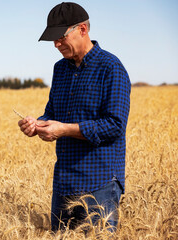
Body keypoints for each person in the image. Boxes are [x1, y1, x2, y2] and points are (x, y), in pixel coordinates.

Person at [18, 2, 131, 233]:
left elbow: (115, 125)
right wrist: (37, 124)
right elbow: (53, 113)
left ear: (82, 30)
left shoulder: (111, 68)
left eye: (60, 37)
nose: (56, 44)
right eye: (53, 40)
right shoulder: (60, 69)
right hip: (64, 183)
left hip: (99, 182)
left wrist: (63, 130)